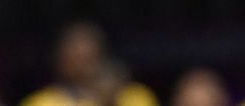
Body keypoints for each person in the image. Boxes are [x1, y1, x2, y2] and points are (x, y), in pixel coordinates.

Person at [21, 22, 159, 106]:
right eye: (76, 57)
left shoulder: (134, 96)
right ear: (60, 61)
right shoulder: (41, 102)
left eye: (89, 56)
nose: (84, 66)